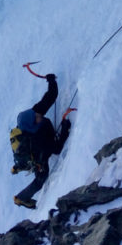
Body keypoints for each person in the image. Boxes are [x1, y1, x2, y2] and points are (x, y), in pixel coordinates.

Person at [13, 73, 72, 209]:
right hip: (39, 154)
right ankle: (21, 198)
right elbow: (56, 149)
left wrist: (51, 81)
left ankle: (20, 166)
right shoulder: (37, 141)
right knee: (41, 178)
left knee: (44, 121)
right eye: (37, 117)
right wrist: (65, 128)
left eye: (37, 115)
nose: (40, 116)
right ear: (32, 125)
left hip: (44, 138)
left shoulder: (33, 115)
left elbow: (50, 97)